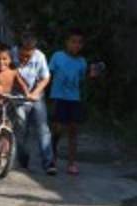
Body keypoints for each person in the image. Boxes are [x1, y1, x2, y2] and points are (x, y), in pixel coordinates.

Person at [48, 28, 99, 176]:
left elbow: (83, 79)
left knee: (73, 130)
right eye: (73, 42)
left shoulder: (82, 62)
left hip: (74, 99)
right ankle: (51, 159)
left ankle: (71, 163)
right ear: (67, 42)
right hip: (58, 98)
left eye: (79, 43)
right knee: (57, 130)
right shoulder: (57, 56)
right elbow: (47, 75)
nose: (76, 45)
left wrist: (92, 75)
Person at [11, 33, 56, 175]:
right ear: (18, 49)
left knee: (43, 129)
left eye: (28, 56)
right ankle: (23, 162)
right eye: (22, 56)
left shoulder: (40, 56)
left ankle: (49, 163)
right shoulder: (11, 54)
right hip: (17, 97)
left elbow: (45, 78)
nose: (25, 59)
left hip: (36, 96)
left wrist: (35, 93)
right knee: (21, 129)